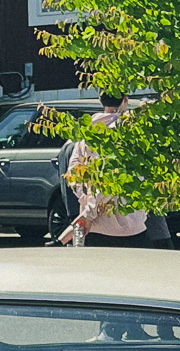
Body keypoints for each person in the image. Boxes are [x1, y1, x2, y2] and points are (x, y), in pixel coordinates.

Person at [57, 92, 149, 248]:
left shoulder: (86, 134)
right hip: (129, 224)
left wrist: (87, 201)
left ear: (100, 101)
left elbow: (73, 174)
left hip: (94, 226)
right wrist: (90, 212)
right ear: (125, 100)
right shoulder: (129, 133)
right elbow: (113, 179)